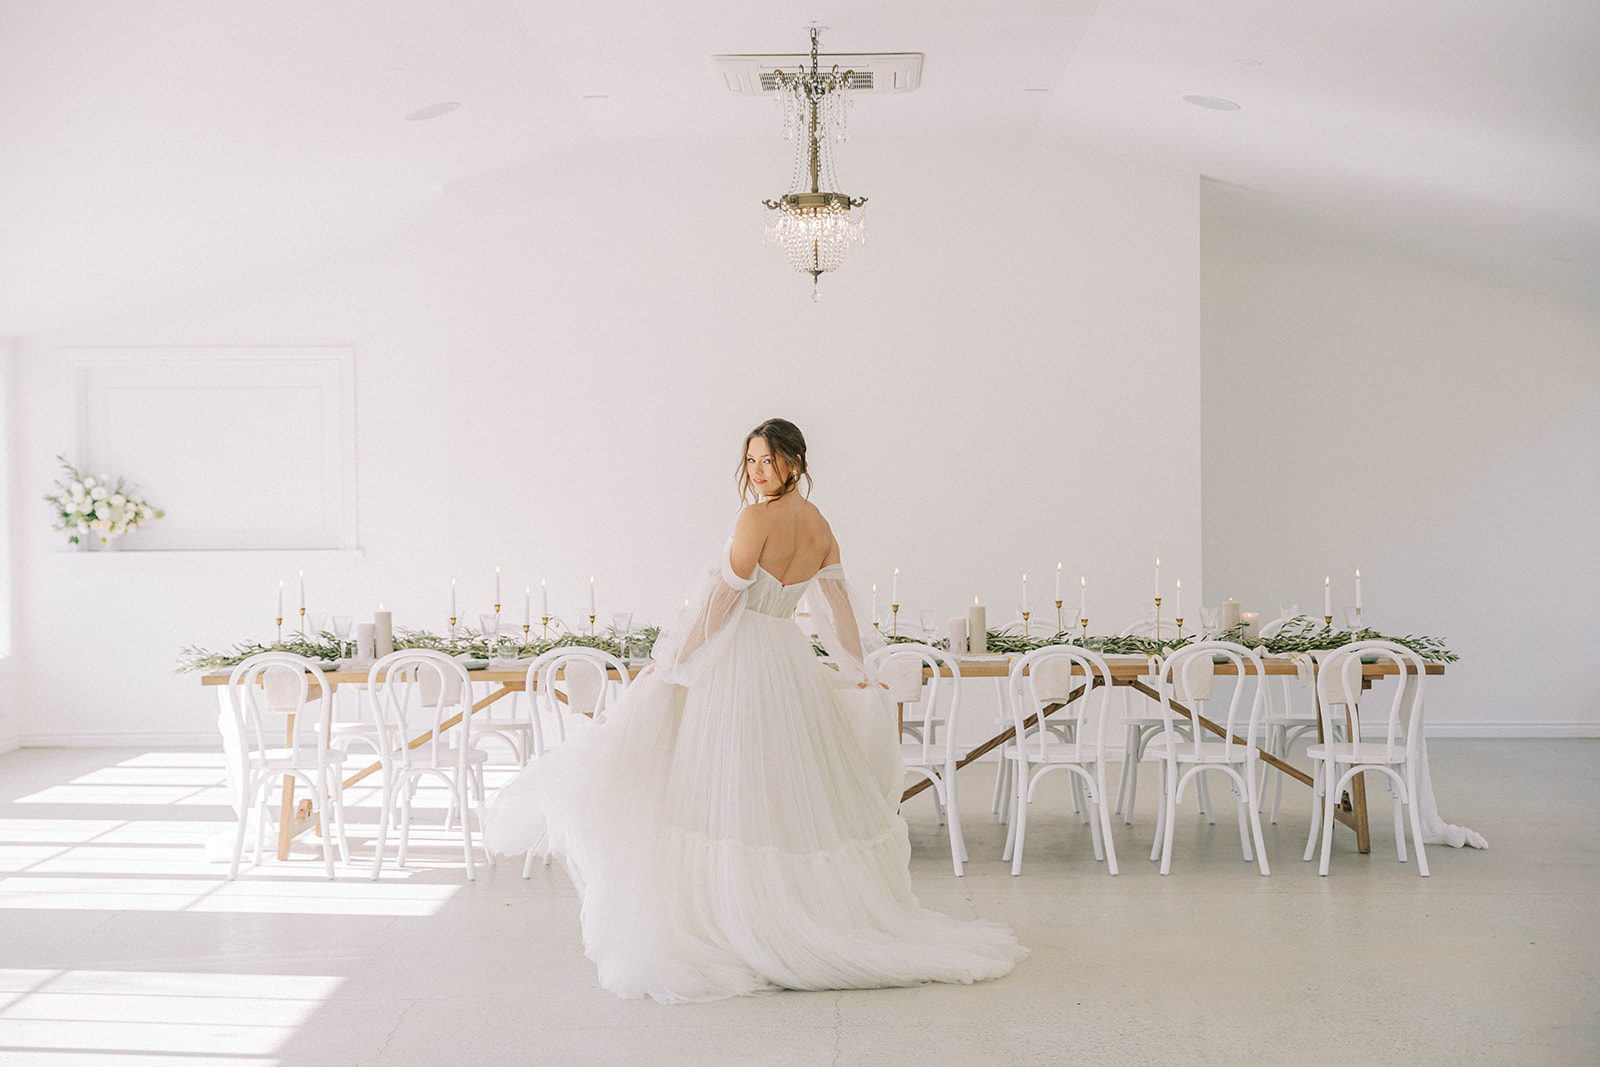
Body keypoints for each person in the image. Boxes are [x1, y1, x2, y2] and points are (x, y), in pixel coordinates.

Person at [485, 418, 1026, 1003]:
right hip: (786, 658)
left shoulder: (756, 519)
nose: (757, 471)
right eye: (750, 461)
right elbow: (836, 601)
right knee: (776, 785)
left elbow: (723, 600)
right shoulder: (818, 526)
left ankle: (737, 919)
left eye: (767, 460)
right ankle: (785, 909)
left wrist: (675, 657)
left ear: (794, 460)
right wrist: (855, 669)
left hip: (741, 658)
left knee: (728, 785)